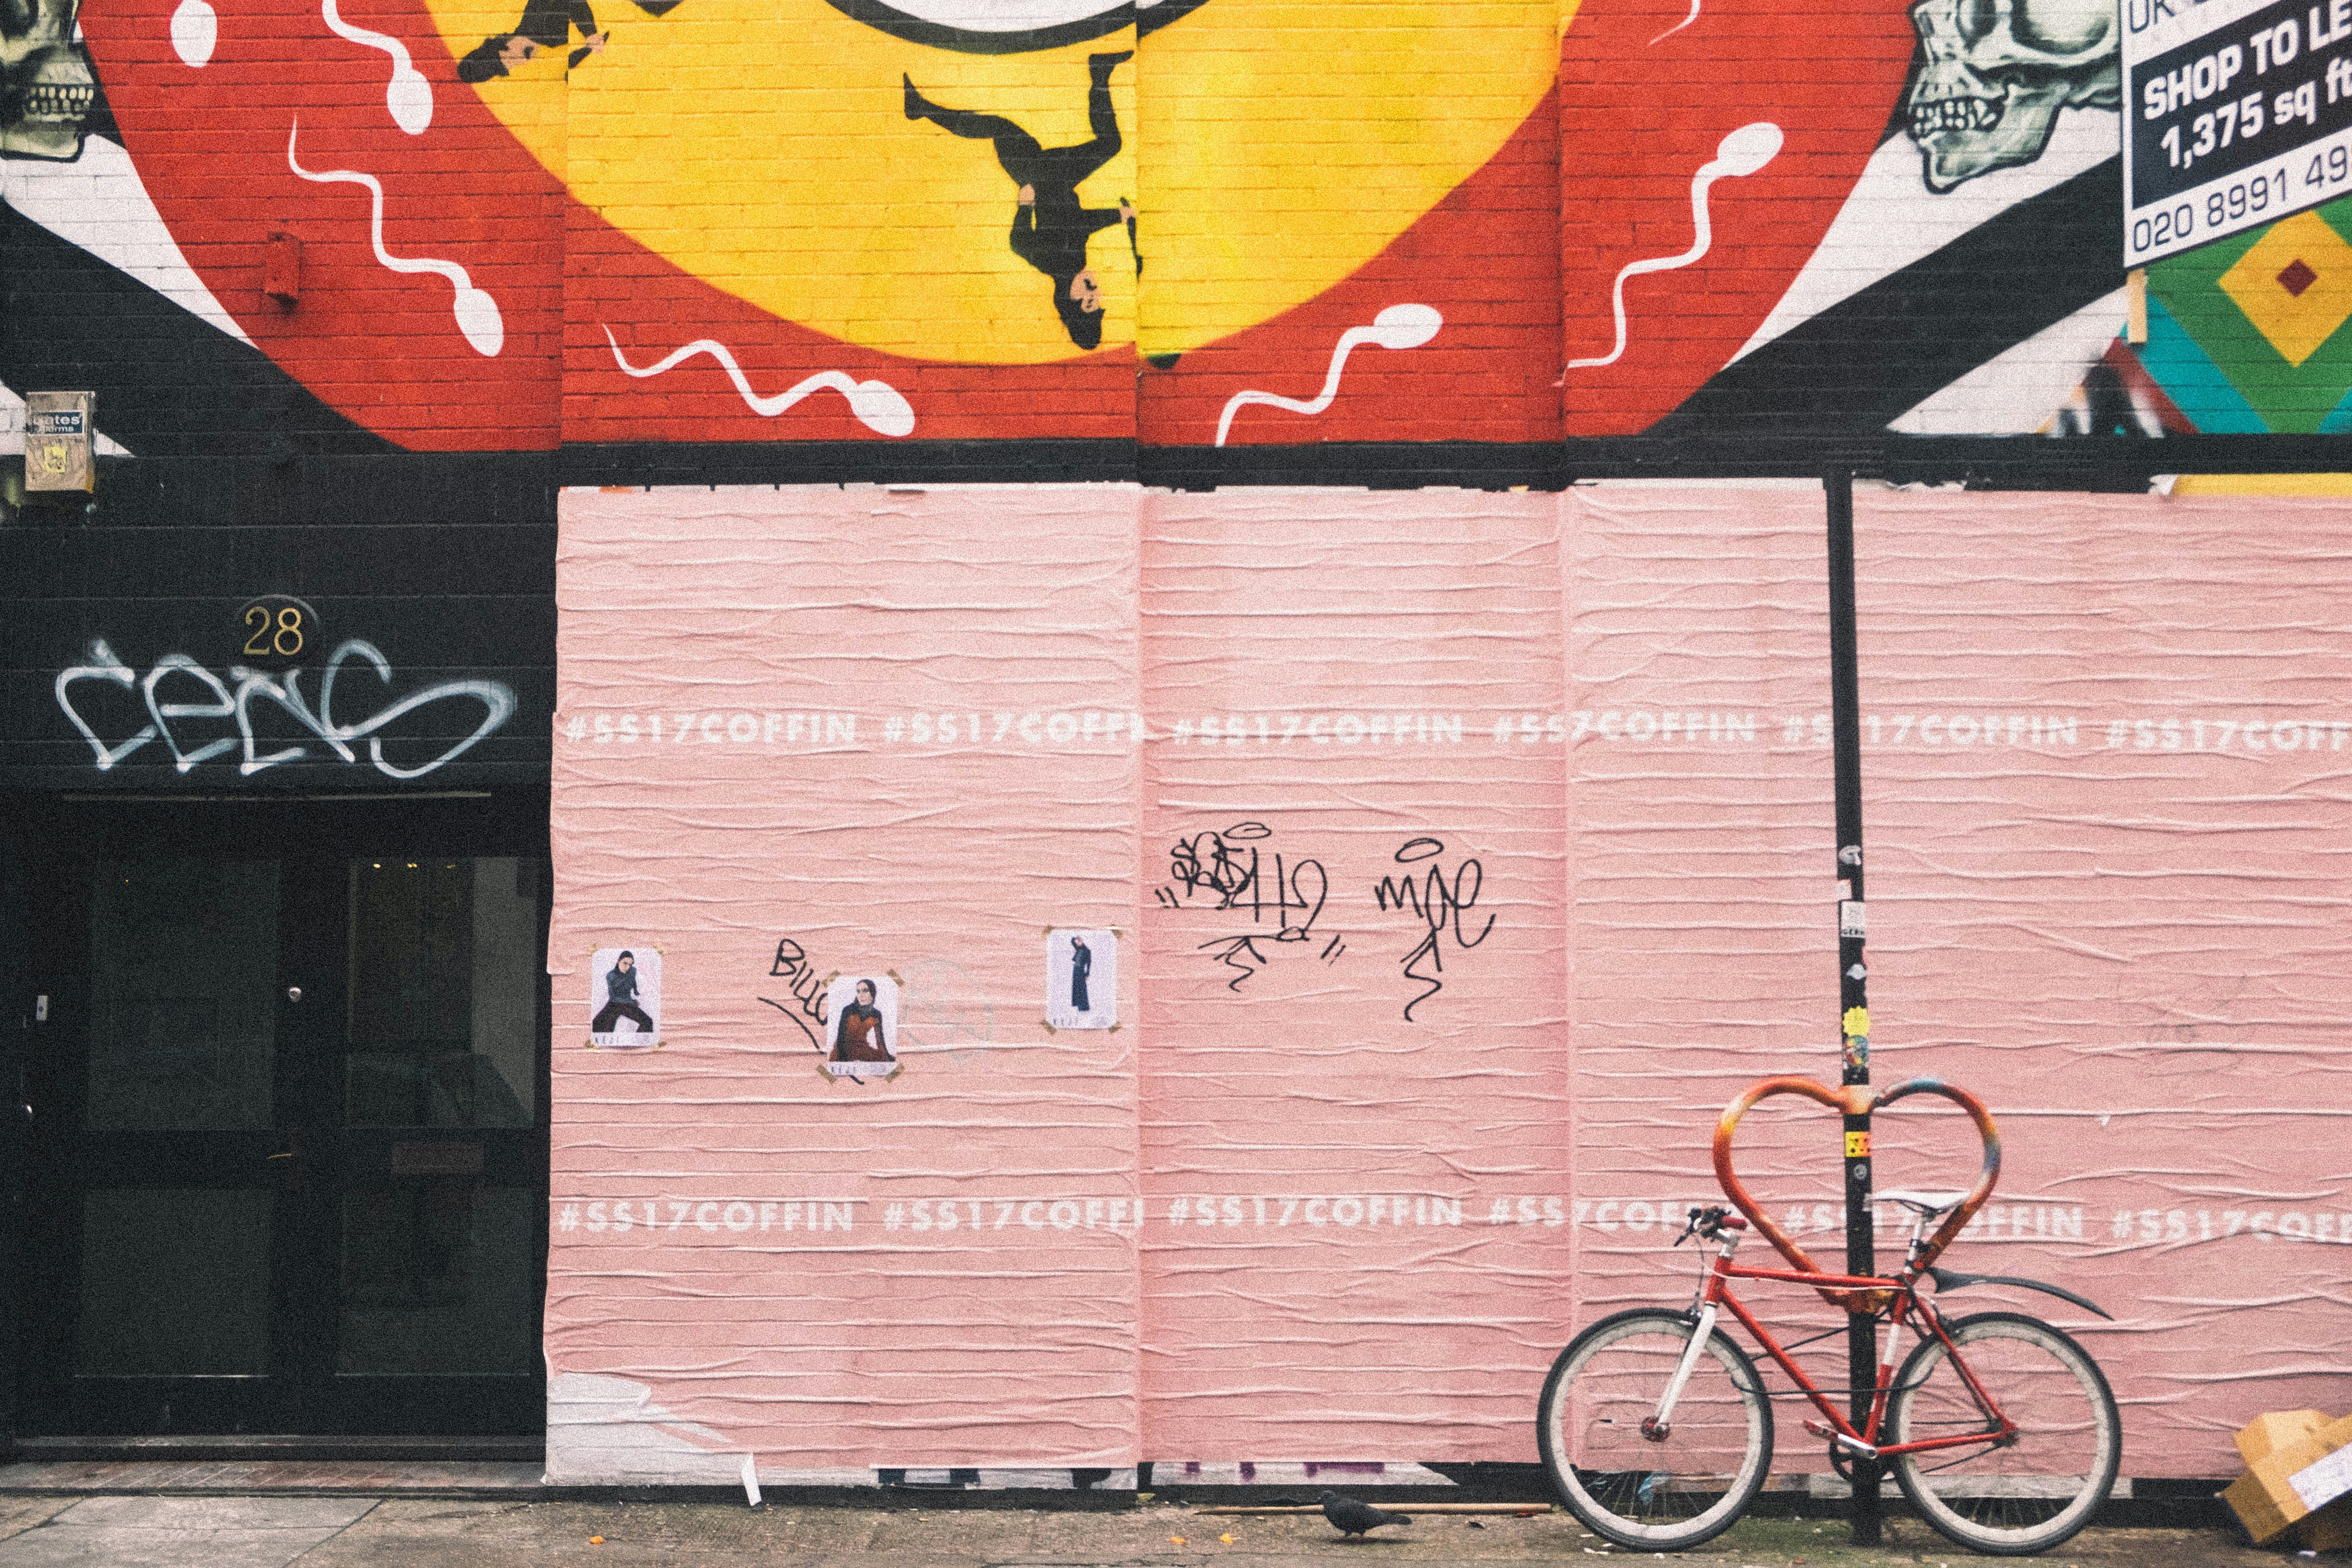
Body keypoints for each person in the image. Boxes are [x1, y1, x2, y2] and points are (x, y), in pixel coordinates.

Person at [904, 51, 1135, 349]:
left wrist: (1025, 206)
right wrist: (1118, 216)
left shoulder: (1057, 263)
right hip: (1049, 177)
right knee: (1000, 128)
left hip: (1046, 176)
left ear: (1072, 300)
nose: (1097, 293)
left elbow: (1023, 241)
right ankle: (920, 108)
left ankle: (1099, 72)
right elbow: (1078, 225)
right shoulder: (1070, 264)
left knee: (1106, 143)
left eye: (1090, 302)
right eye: (1098, 301)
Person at [456, 0, 682, 83]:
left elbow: (573, 4)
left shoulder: (537, 25)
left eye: (508, 62)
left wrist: (590, 35)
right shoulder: (543, 37)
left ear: (503, 50)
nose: (518, 64)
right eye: (509, 68)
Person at [592, 951, 654, 1036]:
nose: (627, 967)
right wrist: (632, 1002)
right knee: (598, 1024)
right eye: (625, 963)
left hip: (627, 1004)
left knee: (648, 1022)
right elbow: (613, 997)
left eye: (630, 965)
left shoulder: (632, 971)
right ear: (619, 961)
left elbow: (633, 981)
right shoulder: (611, 976)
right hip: (615, 1003)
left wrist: (636, 991)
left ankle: (639, 1041)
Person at [831, 979, 892, 1063]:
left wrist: (887, 1057)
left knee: (885, 1059)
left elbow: (880, 1039)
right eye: (858, 992)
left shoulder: (877, 1014)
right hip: (843, 1049)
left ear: (873, 993)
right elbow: (841, 1037)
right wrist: (844, 1060)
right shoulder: (848, 1010)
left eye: (865, 991)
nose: (861, 995)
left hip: (862, 1049)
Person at [1069, 934, 1091, 1013]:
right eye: (1077, 943)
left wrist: (1087, 974)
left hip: (1081, 971)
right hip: (1075, 970)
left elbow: (1089, 963)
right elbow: (1072, 941)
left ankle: (1084, 1007)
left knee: (1082, 988)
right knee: (1076, 986)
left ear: (1081, 941)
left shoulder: (1087, 951)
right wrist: (1076, 939)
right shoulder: (1078, 950)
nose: (1077, 944)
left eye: (1078, 942)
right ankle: (1076, 1003)